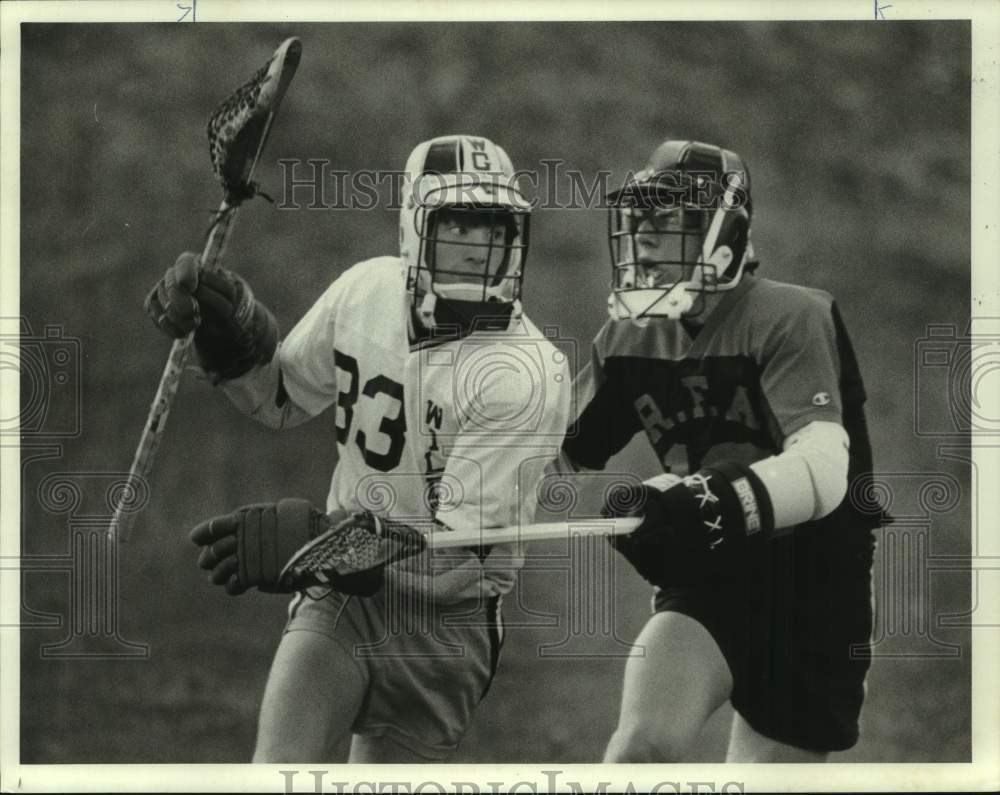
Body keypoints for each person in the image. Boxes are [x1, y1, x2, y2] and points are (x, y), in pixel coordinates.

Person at [145, 134, 570, 762]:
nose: (478, 244)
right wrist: (227, 332)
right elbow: (280, 397)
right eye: (457, 222)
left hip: (445, 629)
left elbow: (457, 563)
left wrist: (325, 541)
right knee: (277, 772)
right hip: (342, 598)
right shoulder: (366, 291)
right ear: (414, 225)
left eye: (492, 226)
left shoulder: (527, 371)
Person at [556, 139, 882, 762]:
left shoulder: (792, 315)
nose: (645, 239)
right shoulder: (630, 335)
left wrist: (704, 500)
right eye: (640, 219)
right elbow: (542, 461)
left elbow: (823, 468)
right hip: (712, 579)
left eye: (669, 220)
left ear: (724, 231)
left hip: (812, 591)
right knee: (640, 750)